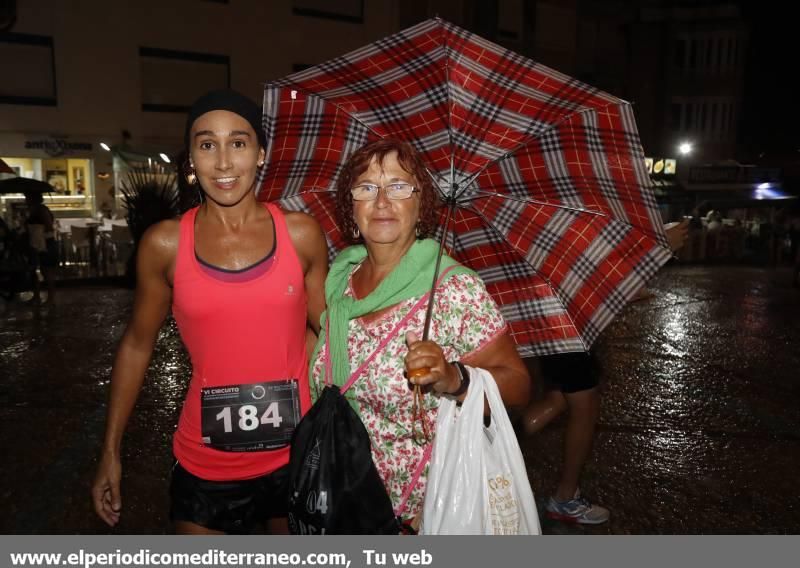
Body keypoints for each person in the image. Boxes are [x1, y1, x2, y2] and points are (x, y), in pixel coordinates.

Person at [91, 89, 328, 534]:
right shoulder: (165, 244)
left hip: (294, 457)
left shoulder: (301, 234)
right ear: (190, 161)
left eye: (238, 143)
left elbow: (330, 334)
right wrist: (110, 451)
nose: (223, 162)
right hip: (206, 463)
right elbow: (137, 346)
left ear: (261, 154)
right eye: (207, 145)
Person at [308, 138, 531, 532]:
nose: (381, 201)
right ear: (350, 204)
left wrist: (453, 379)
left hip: (421, 510)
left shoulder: (454, 289)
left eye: (398, 186)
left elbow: (518, 386)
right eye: (366, 187)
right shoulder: (339, 282)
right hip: (344, 498)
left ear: (420, 201)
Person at [522, 218, 690, 525]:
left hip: (550, 321)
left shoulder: (539, 218)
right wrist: (655, 248)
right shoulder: (557, 216)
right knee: (585, 407)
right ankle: (565, 498)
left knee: (559, 400)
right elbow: (582, 271)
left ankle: (492, 443)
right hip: (564, 327)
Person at [24, 191, 57, 304]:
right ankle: (37, 295)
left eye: (27, 196)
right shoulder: (33, 210)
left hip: (45, 243)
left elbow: (48, 226)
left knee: (46, 270)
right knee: (35, 270)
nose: (25, 199)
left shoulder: (41, 210)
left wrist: (37, 232)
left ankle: (50, 298)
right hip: (37, 243)